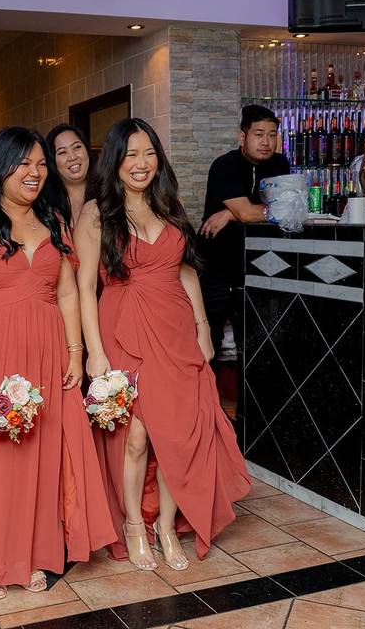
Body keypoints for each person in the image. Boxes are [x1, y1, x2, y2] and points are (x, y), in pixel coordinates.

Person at [0, 126, 115, 598]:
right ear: (0, 168)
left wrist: (75, 351)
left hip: (46, 351)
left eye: (40, 163)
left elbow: (68, 290)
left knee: (42, 455)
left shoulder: (54, 220)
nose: (34, 173)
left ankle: (33, 553)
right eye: (23, 164)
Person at [74, 118, 250, 572]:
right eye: (131, 154)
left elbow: (184, 270)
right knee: (136, 437)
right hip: (124, 328)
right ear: (114, 160)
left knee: (179, 435)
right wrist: (93, 350)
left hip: (175, 330)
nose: (141, 163)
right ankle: (135, 524)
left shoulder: (167, 204)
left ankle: (166, 525)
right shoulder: (96, 213)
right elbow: (82, 286)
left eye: (149, 152)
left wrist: (203, 326)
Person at [198, 105, 290, 359]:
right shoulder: (224, 166)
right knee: (209, 344)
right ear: (242, 136)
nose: (266, 142)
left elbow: (289, 209)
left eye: (272, 135)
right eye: (259, 134)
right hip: (216, 268)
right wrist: (245, 211)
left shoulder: (280, 164)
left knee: (256, 345)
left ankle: (250, 401)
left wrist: (230, 213)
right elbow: (255, 213)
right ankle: (208, 399)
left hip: (258, 267)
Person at [47, 123, 95, 224]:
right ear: (53, 161)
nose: (72, 157)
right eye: (62, 152)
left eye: (77, 147)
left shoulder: (108, 194)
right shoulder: (47, 208)